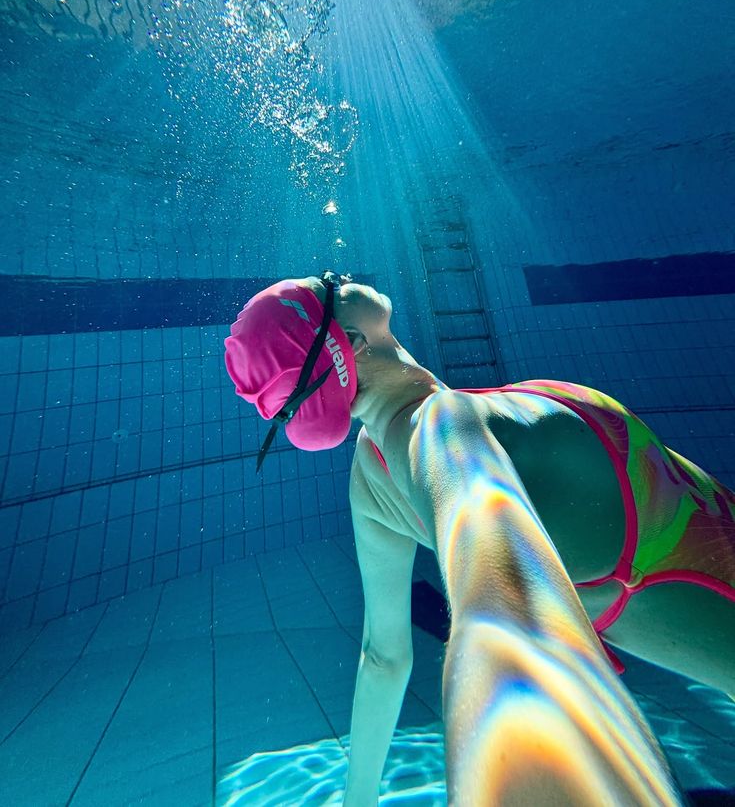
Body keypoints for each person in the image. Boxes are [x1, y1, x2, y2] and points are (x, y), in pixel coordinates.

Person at [224, 272, 735, 806]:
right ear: (348, 343)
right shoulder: (447, 424)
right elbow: (504, 616)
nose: (343, 275)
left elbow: (383, 657)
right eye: (328, 283)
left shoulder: (369, 482)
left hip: (657, 572)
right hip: (682, 563)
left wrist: (359, 799)